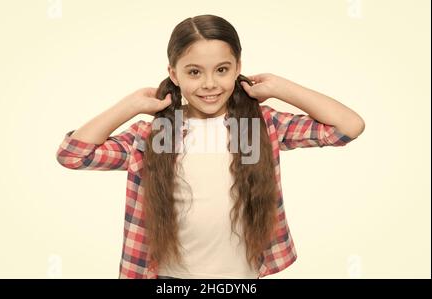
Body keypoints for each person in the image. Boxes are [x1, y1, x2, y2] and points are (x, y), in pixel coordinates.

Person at [56, 14, 365, 279]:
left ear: (237, 67)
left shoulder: (261, 125)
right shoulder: (154, 134)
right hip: (169, 276)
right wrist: (131, 104)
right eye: (194, 72)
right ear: (174, 74)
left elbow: (347, 127)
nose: (209, 84)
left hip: (239, 277)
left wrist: (281, 87)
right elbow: (73, 155)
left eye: (221, 69)